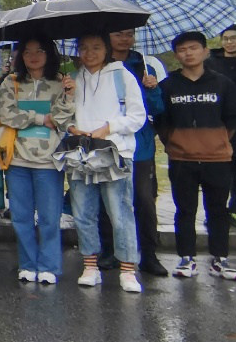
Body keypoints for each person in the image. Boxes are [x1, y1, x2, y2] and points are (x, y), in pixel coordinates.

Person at [157, 32, 236, 281]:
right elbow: (162, 122)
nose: (188, 53)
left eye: (194, 48)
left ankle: (220, 259)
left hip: (217, 158)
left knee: (218, 210)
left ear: (205, 51)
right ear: (176, 55)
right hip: (181, 158)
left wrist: (216, 141)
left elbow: (233, 118)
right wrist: (175, 142)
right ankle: (187, 258)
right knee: (185, 210)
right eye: (182, 49)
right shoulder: (168, 86)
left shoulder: (222, 83)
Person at [64, 32, 148, 293]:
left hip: (115, 152)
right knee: (83, 212)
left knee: (120, 212)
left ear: (106, 50)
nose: (89, 53)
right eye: (84, 48)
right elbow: (62, 117)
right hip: (80, 153)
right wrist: (71, 126)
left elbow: (137, 117)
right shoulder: (72, 79)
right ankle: (90, 266)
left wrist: (109, 127)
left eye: (96, 47)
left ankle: (128, 270)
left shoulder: (122, 76)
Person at [0, 37, 74, 285]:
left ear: (49, 54)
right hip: (17, 159)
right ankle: (28, 264)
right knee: (21, 217)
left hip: (50, 161)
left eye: (39, 50)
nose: (33, 56)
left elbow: (63, 119)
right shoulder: (11, 82)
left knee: (50, 217)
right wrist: (41, 118)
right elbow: (7, 114)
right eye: (27, 51)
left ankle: (49, 266)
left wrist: (69, 96)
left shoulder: (60, 82)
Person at [98, 28, 169, 276]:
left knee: (144, 200)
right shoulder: (100, 66)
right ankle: (110, 251)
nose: (124, 39)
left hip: (140, 146)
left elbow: (157, 109)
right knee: (107, 199)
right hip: (107, 142)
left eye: (129, 34)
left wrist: (153, 89)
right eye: (118, 34)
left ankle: (148, 254)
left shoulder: (145, 67)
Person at [209, 24, 236, 228]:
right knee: (217, 170)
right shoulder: (211, 62)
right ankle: (216, 211)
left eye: (234, 38)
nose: (230, 42)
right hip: (216, 122)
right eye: (226, 38)